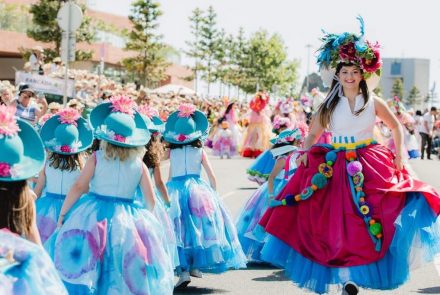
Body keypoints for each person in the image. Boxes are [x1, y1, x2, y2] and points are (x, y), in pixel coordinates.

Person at [259, 17, 440, 295]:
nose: (349, 77)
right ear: (338, 75)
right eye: (344, 72)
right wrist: (306, 152)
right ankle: (345, 278)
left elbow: (395, 127)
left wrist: (399, 155)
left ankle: (353, 277)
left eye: (354, 72)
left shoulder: (373, 101)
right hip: (333, 164)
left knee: (370, 216)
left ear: (362, 74)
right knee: (332, 222)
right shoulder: (329, 103)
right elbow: (312, 134)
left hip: (369, 160)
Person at [46, 96, 174, 294]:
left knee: (91, 263)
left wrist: (63, 214)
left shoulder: (96, 158)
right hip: (127, 218)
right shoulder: (139, 164)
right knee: (120, 268)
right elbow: (150, 200)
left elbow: (79, 186)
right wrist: (143, 223)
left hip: (93, 216)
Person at [163, 103, 247, 288]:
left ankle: (184, 270)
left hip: (175, 189)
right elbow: (211, 175)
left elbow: (168, 172)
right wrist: (214, 195)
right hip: (197, 190)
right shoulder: (199, 151)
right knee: (198, 229)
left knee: (180, 230)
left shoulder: (172, 151)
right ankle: (194, 266)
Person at [0, 105, 67, 294]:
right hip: (13, 266)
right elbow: (33, 236)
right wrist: (47, 271)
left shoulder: (26, 198)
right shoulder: (25, 197)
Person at [236, 128, 303, 262]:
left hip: (289, 190)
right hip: (276, 189)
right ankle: (260, 251)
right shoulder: (282, 159)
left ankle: (278, 252)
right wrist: (271, 195)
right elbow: (271, 177)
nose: (300, 142)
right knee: (266, 217)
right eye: (298, 140)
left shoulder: (295, 157)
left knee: (283, 220)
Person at [34, 108, 93, 244]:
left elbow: (39, 188)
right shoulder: (82, 164)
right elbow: (86, 189)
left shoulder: (47, 162)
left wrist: (30, 205)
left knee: (44, 241)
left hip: (46, 208)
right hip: (73, 207)